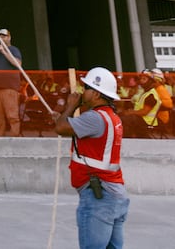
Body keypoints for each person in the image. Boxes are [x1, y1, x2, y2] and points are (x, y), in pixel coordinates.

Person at [52, 67, 128, 249]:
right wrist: (64, 118)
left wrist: (71, 105)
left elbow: (61, 129)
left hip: (98, 197)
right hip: (113, 193)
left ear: (96, 94)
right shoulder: (111, 117)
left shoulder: (94, 118)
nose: (81, 92)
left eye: (86, 88)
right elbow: (68, 126)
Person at [0, 28, 25, 136]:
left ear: (9, 37)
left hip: (9, 88)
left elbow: (18, 63)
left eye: (4, 36)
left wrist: (4, 51)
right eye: (0, 36)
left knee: (12, 115)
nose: (2, 38)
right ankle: (0, 138)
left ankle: (14, 138)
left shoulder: (13, 49)